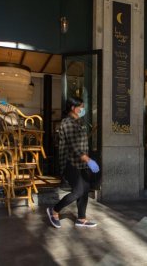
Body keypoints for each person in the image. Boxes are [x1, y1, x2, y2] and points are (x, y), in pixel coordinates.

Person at [46, 97, 100, 229]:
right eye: (81, 107)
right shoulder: (68, 123)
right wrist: (89, 160)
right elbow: (74, 146)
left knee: (85, 190)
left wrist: (92, 132)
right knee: (78, 191)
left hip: (81, 163)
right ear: (72, 107)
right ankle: (54, 211)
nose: (83, 109)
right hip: (71, 163)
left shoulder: (78, 122)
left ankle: (81, 219)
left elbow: (80, 141)